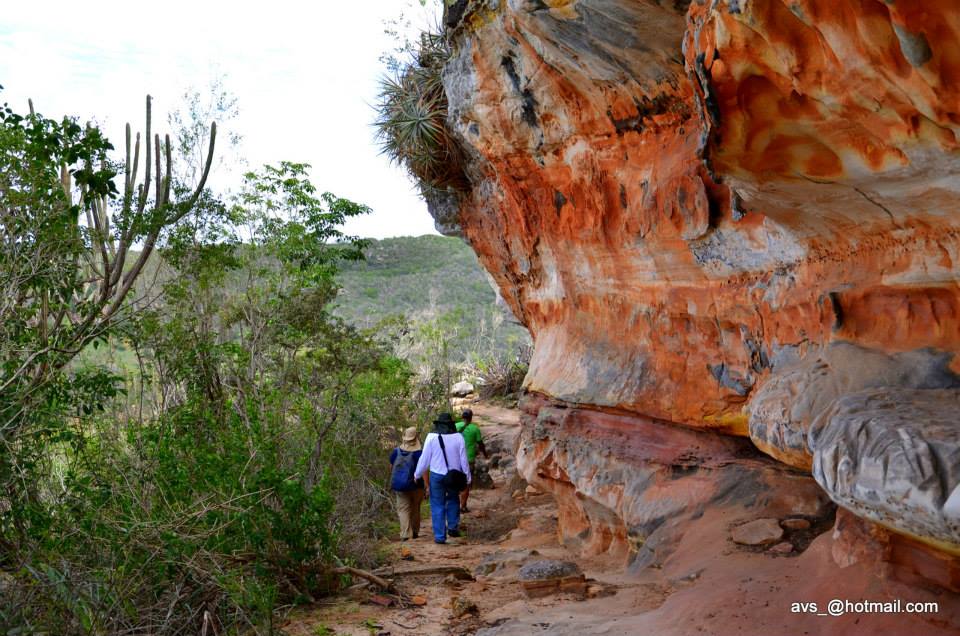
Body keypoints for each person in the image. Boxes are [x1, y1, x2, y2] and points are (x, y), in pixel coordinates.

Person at [414, 412, 472, 544]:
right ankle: (452, 527)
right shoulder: (458, 437)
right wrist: (468, 477)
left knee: (437, 504)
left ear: (438, 425)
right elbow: (464, 460)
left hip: (437, 476)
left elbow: (424, 459)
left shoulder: (431, 437)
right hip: (454, 475)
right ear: (451, 424)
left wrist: (417, 474)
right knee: (453, 499)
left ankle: (440, 536)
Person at [389, 427, 425, 541]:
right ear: (416, 438)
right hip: (416, 485)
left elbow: (391, 466)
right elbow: (424, 471)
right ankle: (414, 531)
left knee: (403, 509)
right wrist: (427, 486)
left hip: (400, 486)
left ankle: (405, 533)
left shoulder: (396, 451)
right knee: (415, 508)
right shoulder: (419, 453)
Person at [455, 409, 488, 513]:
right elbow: (480, 443)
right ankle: (463, 506)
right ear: (471, 417)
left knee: (455, 482)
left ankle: (455, 505)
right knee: (466, 483)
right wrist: (485, 454)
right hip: (469, 459)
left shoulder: (456, 426)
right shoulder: (475, 428)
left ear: (462, 417)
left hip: (455, 459)